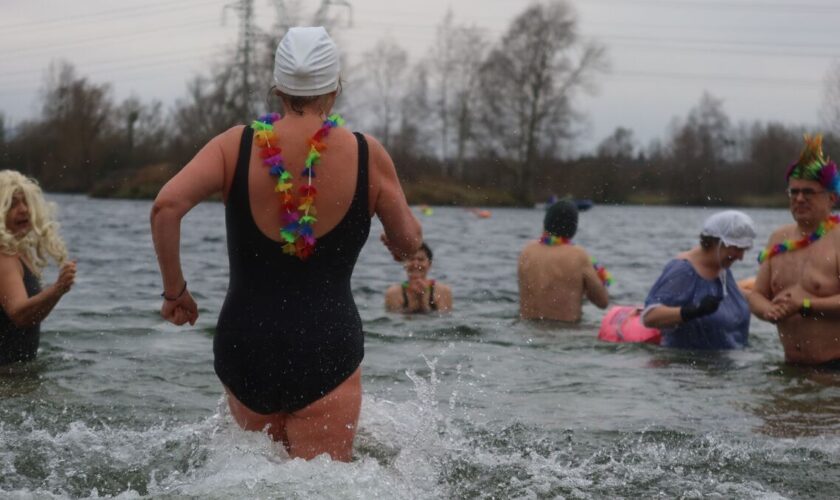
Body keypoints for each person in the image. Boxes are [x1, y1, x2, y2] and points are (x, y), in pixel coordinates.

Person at [150, 27, 421, 461]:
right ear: (334, 88)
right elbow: (410, 242)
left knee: (253, 479)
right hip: (325, 345)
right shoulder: (366, 154)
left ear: (277, 87)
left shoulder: (233, 145)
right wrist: (400, 243)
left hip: (245, 344)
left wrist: (175, 292)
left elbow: (166, 207)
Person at [748, 135, 840, 366]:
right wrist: (768, 310)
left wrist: (806, 305)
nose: (799, 199)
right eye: (794, 192)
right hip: (791, 367)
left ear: (831, 198)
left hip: (834, 370)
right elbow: (757, 295)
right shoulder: (779, 238)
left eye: (808, 192)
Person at [642, 210, 756, 350]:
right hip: (687, 366)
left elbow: (735, 297)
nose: (741, 257)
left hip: (725, 364)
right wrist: (693, 311)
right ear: (715, 242)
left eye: (744, 249)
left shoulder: (722, 269)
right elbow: (649, 316)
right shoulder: (683, 271)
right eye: (736, 248)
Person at [0, 170, 76, 366]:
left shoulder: (18, 252)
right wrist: (57, 289)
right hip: (7, 381)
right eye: (13, 204)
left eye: (26, 202)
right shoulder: (3, 257)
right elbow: (20, 315)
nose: (23, 209)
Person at [518, 200, 610, 322]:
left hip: (527, 328)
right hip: (566, 331)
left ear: (546, 223)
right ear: (573, 227)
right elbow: (602, 302)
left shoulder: (526, 251)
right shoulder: (578, 255)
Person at [384, 242, 452, 313]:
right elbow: (395, 321)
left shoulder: (443, 291)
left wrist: (423, 301)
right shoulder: (393, 293)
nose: (416, 264)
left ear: (429, 264)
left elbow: (444, 320)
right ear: (404, 263)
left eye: (420, 259)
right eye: (411, 259)